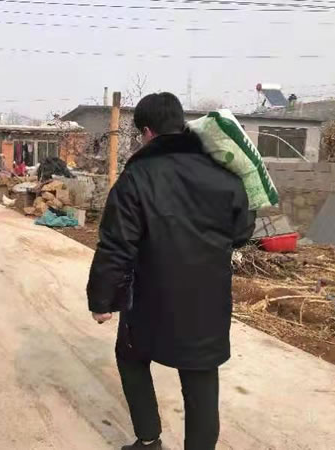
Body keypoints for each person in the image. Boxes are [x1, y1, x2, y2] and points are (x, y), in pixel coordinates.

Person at [87, 93, 255, 450]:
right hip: (207, 302)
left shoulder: (137, 177)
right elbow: (241, 233)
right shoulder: (224, 173)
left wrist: (102, 300)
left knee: (131, 357)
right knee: (200, 377)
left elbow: (116, 244)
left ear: (148, 132)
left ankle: (149, 440)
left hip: (150, 300)